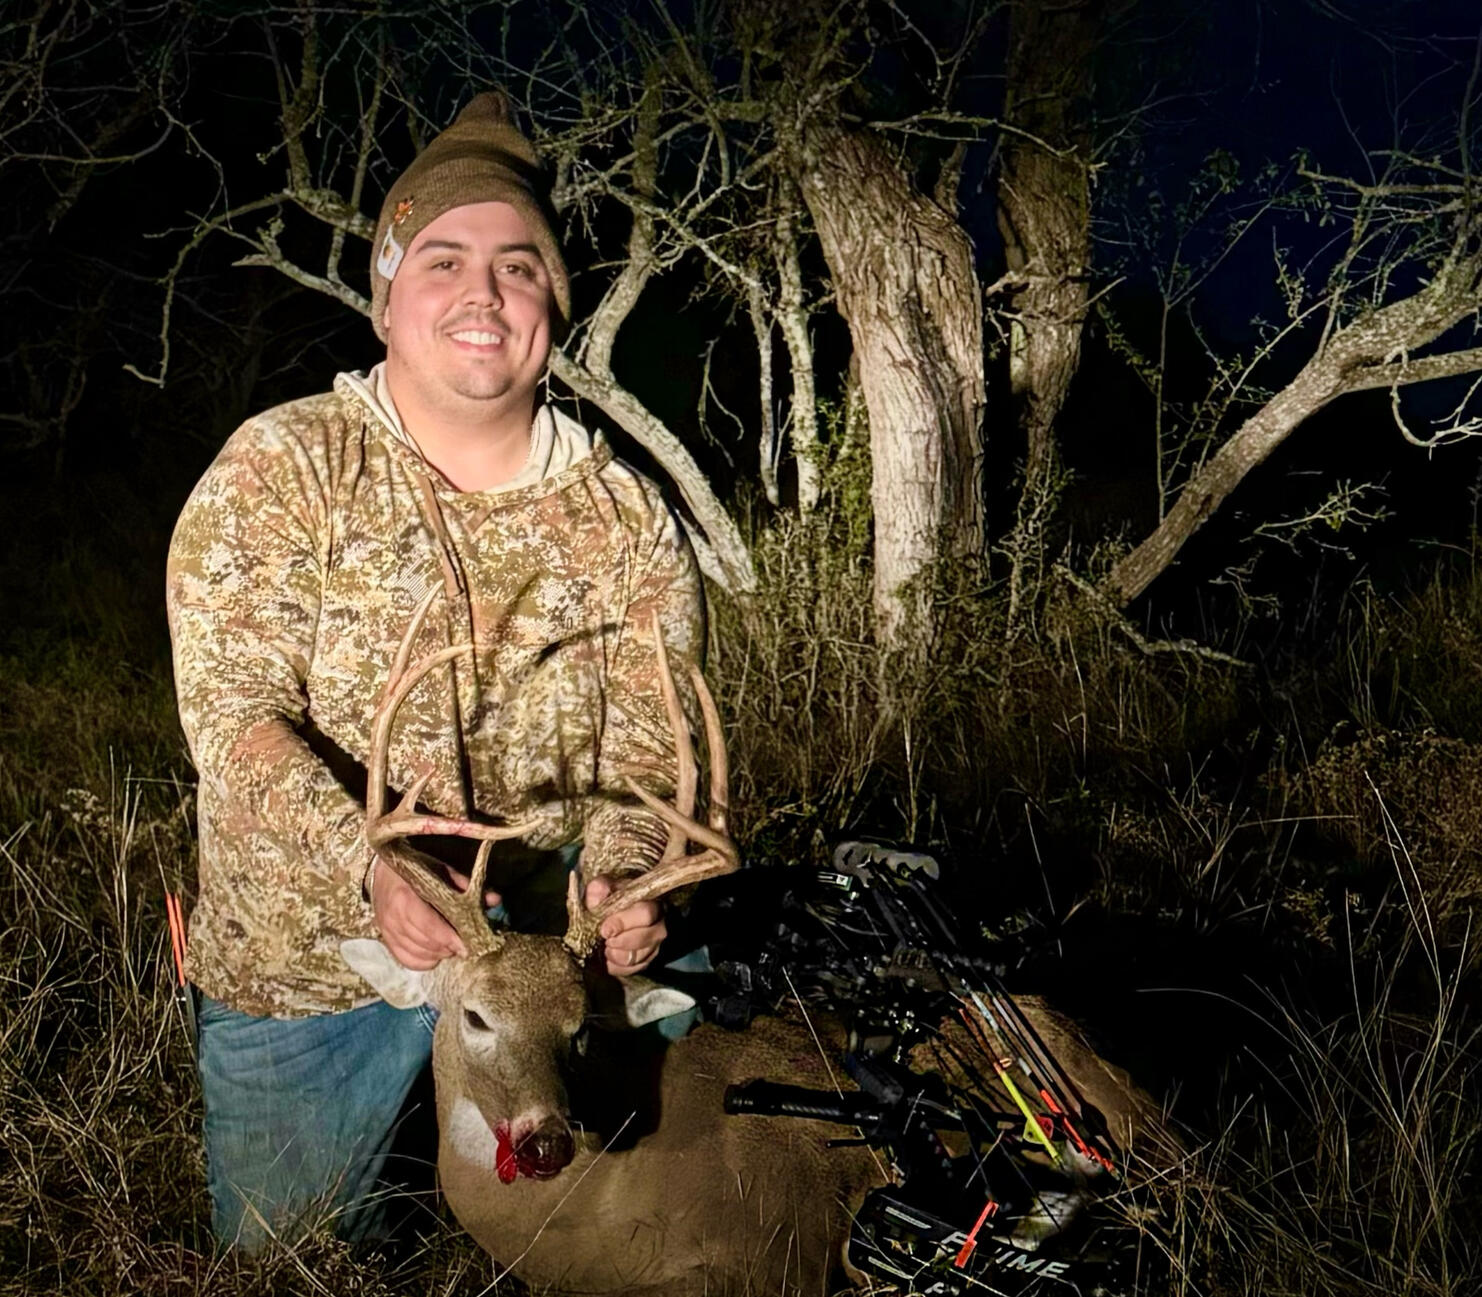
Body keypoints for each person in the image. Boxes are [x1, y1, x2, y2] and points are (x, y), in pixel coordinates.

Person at [165, 91, 703, 1252]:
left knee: (687, 1228)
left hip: (554, 976)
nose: (483, 292)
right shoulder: (281, 469)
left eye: (519, 266)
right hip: (315, 965)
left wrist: (625, 886)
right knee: (285, 1263)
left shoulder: (626, 518)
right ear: (386, 293)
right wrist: (369, 869)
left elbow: (653, 758)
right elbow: (235, 722)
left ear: (553, 303)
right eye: (444, 257)